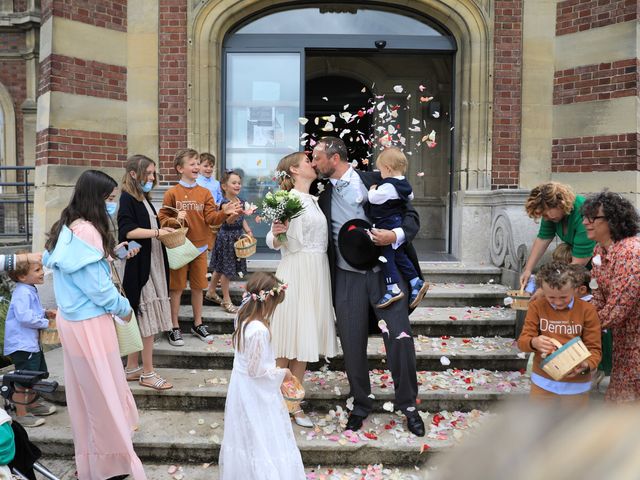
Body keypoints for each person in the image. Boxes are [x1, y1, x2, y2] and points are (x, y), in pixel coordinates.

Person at [311, 136, 425, 436]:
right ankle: (361, 402)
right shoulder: (318, 195)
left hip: (385, 274)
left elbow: (412, 218)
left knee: (400, 340)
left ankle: (408, 405)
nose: (313, 163)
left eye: (317, 157)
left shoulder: (379, 179)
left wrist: (395, 235)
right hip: (345, 277)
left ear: (334, 158)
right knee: (351, 343)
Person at [43, 170, 146, 480]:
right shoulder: (88, 230)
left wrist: (111, 257)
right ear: (97, 198)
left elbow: (79, 269)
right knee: (103, 393)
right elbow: (97, 287)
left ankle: (98, 461)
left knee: (88, 394)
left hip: (73, 321)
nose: (112, 204)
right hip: (89, 323)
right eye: (109, 198)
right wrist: (124, 308)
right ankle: (110, 463)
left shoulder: (69, 226)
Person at [266, 152, 339, 427]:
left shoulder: (316, 200)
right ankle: (270, 403)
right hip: (295, 272)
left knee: (304, 341)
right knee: (286, 342)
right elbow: (273, 238)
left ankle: (293, 404)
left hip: (317, 272)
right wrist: (277, 231)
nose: (313, 163)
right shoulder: (285, 199)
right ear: (294, 170)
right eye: (307, 161)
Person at [218, 272, 305, 480]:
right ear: (267, 301)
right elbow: (255, 371)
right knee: (262, 435)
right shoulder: (258, 330)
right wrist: (282, 372)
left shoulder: (242, 317)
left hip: (241, 388)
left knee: (247, 434)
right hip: (255, 392)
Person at [158, 148, 240, 346]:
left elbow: (211, 218)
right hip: (179, 247)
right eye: (192, 164)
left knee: (198, 287)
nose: (196, 167)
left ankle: (198, 323)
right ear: (180, 168)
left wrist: (224, 213)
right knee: (176, 288)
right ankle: (174, 326)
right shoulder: (172, 193)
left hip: (200, 248)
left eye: (197, 164)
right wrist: (174, 219)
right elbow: (162, 219)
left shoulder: (204, 193)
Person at [118, 155, 175, 390]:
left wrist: (163, 229)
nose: (152, 178)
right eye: (148, 173)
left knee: (141, 318)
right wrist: (157, 234)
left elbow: (150, 228)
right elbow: (128, 231)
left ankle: (132, 368)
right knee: (147, 319)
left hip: (152, 263)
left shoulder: (143, 198)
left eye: (153, 173)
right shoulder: (127, 198)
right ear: (134, 174)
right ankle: (148, 373)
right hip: (140, 267)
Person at [582, 190, 640, 403]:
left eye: (592, 218)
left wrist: (577, 328)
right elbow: (597, 297)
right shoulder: (599, 251)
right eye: (584, 217)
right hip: (624, 341)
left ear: (614, 220)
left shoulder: (631, 253)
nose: (586, 222)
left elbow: (617, 309)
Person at [517, 262, 601, 405]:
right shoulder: (537, 306)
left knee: (573, 426)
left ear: (575, 289)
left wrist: (586, 364)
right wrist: (534, 342)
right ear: (542, 291)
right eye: (551, 298)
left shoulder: (587, 310)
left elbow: (595, 350)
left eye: (563, 297)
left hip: (576, 385)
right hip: (543, 382)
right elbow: (523, 342)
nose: (558, 302)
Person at [366, 147, 429, 308]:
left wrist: (373, 190)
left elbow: (374, 199)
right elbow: (410, 196)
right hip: (396, 221)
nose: (380, 174)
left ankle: (392, 287)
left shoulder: (388, 186)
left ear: (387, 168)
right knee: (399, 256)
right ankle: (415, 281)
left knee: (386, 257)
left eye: (381, 170)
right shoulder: (404, 184)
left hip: (386, 223)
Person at [3, 252, 57, 427]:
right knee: (22, 380)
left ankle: (32, 405)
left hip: (31, 345)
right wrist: (45, 322)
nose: (42, 272)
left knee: (35, 376)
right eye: (37, 269)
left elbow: (31, 311)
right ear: (22, 276)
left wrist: (43, 312)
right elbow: (24, 317)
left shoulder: (29, 288)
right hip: (23, 345)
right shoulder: (22, 292)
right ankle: (21, 413)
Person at [519, 182, 596, 292]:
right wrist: (527, 270)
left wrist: (545, 290)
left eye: (545, 214)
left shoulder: (582, 215)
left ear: (560, 204)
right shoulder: (553, 216)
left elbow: (577, 265)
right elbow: (543, 238)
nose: (545, 219)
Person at [207, 170, 253, 314]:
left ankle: (211, 291)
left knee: (220, 267)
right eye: (234, 183)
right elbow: (228, 221)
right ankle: (226, 300)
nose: (237, 185)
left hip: (237, 236)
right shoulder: (224, 203)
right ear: (224, 186)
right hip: (226, 237)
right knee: (226, 271)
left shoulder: (241, 201)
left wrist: (249, 231)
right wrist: (237, 213)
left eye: (239, 183)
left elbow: (242, 220)